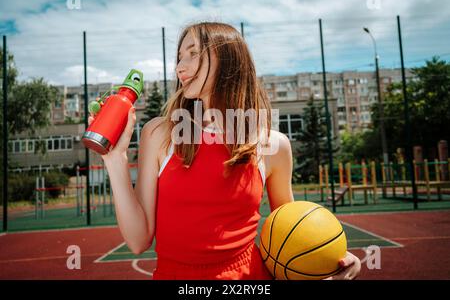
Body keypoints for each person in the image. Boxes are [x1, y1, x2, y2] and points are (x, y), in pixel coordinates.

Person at [88, 22, 361, 280]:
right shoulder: (159, 134)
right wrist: (115, 159)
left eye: (193, 54)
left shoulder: (272, 146)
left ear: (229, 60)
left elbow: (292, 233)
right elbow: (137, 241)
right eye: (179, 57)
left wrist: (330, 254)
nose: (181, 67)